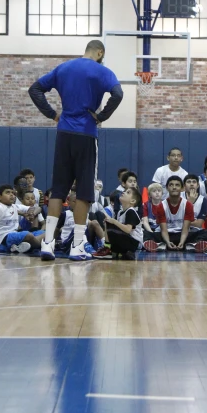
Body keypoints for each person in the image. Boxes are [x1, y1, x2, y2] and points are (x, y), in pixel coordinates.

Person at [29, 39, 123, 262]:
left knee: (59, 190)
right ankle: (77, 246)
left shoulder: (63, 67)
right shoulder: (102, 71)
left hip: (64, 134)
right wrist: (101, 117)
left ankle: (48, 244)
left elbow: (35, 89)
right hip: (86, 134)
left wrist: (52, 114)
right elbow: (118, 94)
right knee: (84, 192)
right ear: (100, 52)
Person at [0, 185, 49, 257]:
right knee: (28, 235)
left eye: (13, 193)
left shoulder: (14, 206)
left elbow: (38, 208)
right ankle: (44, 246)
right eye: (8, 192)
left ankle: (22, 246)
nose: (12, 195)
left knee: (46, 233)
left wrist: (32, 213)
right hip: (2, 240)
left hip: (13, 235)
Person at [154, 175, 207, 252]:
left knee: (206, 233)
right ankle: (167, 244)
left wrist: (182, 242)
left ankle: (188, 245)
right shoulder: (161, 205)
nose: (174, 187)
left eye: (177, 185)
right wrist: (168, 241)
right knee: (146, 233)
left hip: (183, 233)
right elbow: (163, 229)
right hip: (168, 233)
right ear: (167, 188)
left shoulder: (188, 204)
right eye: (171, 185)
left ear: (182, 188)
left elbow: (186, 228)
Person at [98, 188, 144, 261]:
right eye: (124, 191)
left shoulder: (131, 211)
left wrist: (114, 222)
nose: (124, 192)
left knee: (111, 223)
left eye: (128, 192)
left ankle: (109, 249)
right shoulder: (120, 212)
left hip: (133, 242)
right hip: (126, 239)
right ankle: (116, 251)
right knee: (108, 222)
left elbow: (128, 230)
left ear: (132, 201)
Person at [141, 182, 165, 251]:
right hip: (150, 229)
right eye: (154, 191)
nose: (157, 193)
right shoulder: (145, 205)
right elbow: (145, 222)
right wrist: (150, 232)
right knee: (144, 233)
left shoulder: (165, 204)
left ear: (162, 193)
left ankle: (160, 244)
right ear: (149, 195)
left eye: (159, 191)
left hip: (161, 229)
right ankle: (150, 244)